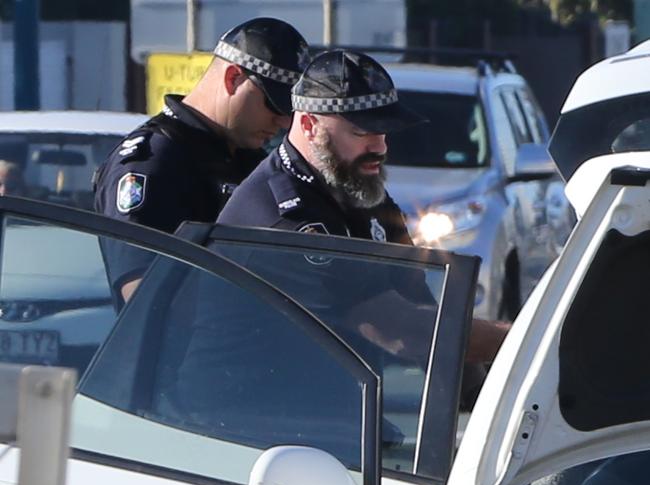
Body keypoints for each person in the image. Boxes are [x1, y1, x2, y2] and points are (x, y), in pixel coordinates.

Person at [217, 49, 510, 364]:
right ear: (309, 125)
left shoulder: (356, 189)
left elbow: (422, 309)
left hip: (321, 397)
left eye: (384, 131)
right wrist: (526, 341)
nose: (380, 147)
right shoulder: (285, 219)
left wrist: (479, 394)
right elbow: (400, 330)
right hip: (247, 403)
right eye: (361, 132)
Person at [93, 17, 311, 303]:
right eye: (275, 103)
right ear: (233, 78)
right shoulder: (154, 162)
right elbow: (144, 296)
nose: (284, 122)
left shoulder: (248, 158)